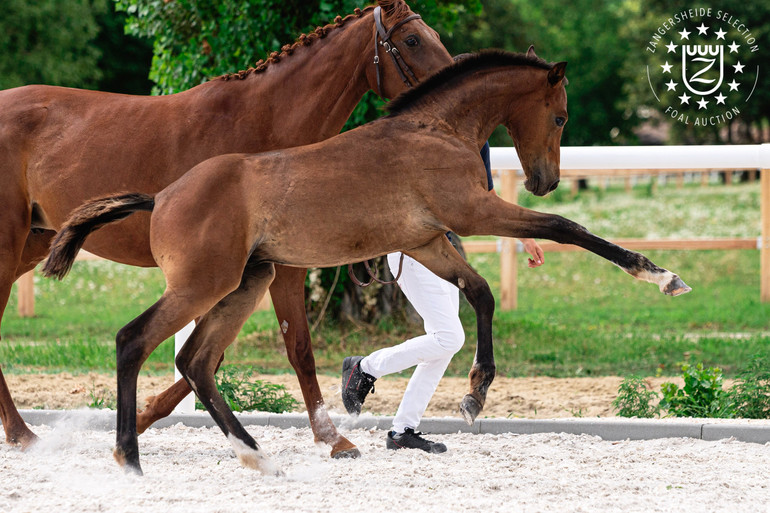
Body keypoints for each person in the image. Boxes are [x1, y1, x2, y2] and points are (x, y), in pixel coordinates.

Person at [341, 141, 545, 453]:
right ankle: (366, 368)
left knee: (442, 345)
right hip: (413, 249)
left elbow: (486, 202)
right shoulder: (428, 135)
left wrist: (524, 235)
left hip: (443, 251)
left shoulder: (479, 144)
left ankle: (402, 430)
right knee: (450, 337)